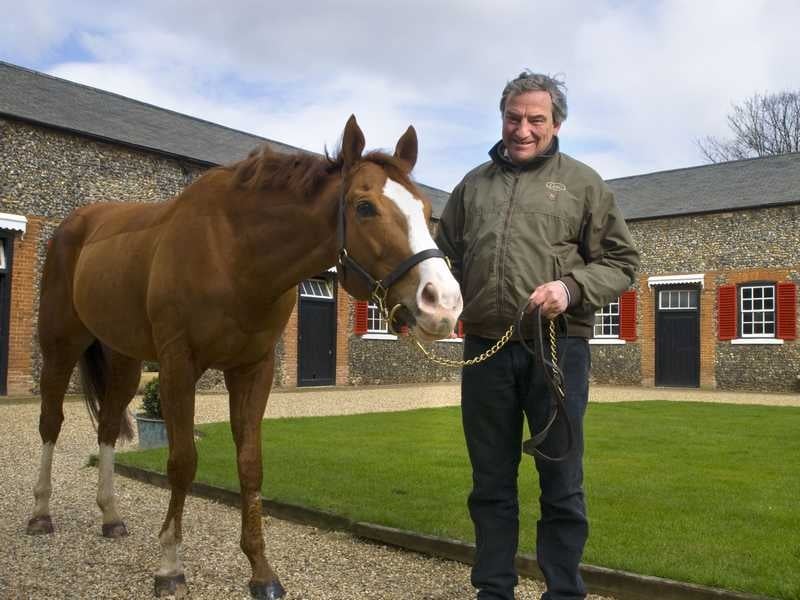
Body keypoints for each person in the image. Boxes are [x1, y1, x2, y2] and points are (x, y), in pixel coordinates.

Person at [435, 70, 640, 600]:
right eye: (513, 117)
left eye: (535, 119)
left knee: (561, 484)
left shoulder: (584, 183)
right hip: (484, 350)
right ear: (502, 118)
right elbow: (444, 259)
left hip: (557, 349)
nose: (522, 129)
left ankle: (564, 593)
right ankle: (494, 590)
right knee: (490, 485)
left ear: (556, 122)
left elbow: (622, 262)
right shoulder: (471, 186)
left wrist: (572, 288)